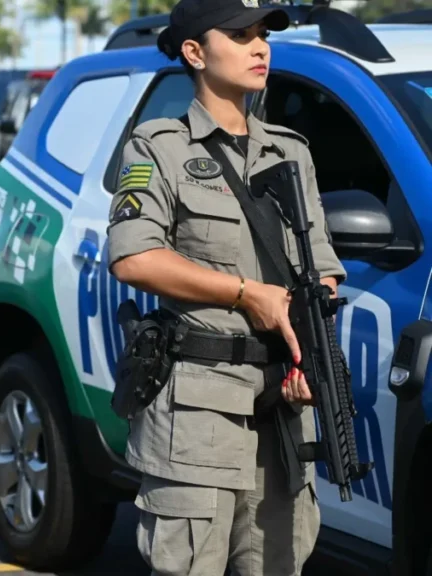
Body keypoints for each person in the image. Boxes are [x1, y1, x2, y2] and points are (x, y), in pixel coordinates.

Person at [105, 0, 347, 574]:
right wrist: (247, 294)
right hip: (196, 418)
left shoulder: (291, 151)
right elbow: (134, 258)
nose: (260, 46)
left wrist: (306, 355)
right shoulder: (158, 146)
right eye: (240, 34)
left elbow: (323, 268)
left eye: (262, 33)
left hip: (283, 415)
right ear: (195, 51)